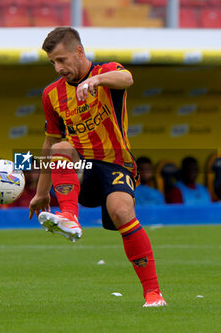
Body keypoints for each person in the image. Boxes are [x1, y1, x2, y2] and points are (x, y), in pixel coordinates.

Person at [28, 27, 167, 307]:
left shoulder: (107, 71)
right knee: (61, 147)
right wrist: (41, 193)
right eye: (53, 62)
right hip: (82, 167)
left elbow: (127, 78)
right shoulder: (51, 95)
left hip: (116, 162)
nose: (58, 68)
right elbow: (50, 142)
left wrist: (99, 81)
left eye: (62, 60)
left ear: (79, 52)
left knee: (120, 212)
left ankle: (153, 294)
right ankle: (70, 215)